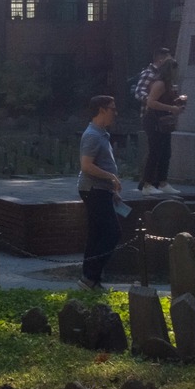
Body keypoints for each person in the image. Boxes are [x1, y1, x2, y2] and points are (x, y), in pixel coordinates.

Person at [78, 96, 123, 289]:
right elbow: (86, 165)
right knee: (112, 233)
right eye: (113, 109)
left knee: (97, 234)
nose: (116, 113)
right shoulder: (92, 135)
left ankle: (90, 278)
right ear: (102, 110)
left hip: (100, 190)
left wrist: (111, 188)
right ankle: (90, 275)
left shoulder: (101, 134)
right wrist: (111, 177)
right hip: (93, 189)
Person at [138, 58, 186, 193]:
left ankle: (162, 182)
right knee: (155, 152)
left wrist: (177, 104)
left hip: (163, 121)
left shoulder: (169, 85)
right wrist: (171, 108)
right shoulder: (160, 83)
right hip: (154, 120)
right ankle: (147, 184)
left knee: (166, 152)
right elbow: (151, 102)